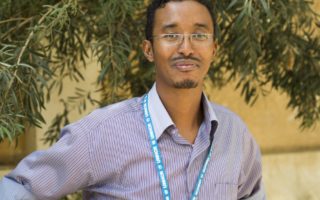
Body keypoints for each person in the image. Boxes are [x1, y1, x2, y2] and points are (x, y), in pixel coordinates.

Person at [0, 0, 265, 199]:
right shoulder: (103, 131)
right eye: (171, 35)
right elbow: (17, 189)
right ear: (148, 49)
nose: (186, 48)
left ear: (213, 49)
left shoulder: (234, 134)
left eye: (199, 35)